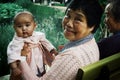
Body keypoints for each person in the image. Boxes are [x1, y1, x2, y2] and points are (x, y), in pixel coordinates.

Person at [19, 0, 103, 80]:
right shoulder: (91, 42)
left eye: (78, 19)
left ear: (92, 26)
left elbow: (69, 61)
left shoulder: (71, 57)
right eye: (68, 15)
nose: (69, 23)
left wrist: (21, 58)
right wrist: (56, 59)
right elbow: (66, 70)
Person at [7, 11, 57, 80]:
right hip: (26, 64)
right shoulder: (16, 42)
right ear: (14, 28)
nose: (24, 29)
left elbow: (45, 42)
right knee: (25, 76)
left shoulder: (38, 35)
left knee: (40, 69)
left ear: (34, 26)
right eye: (19, 26)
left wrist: (52, 49)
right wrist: (14, 68)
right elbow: (12, 55)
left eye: (27, 25)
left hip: (38, 58)